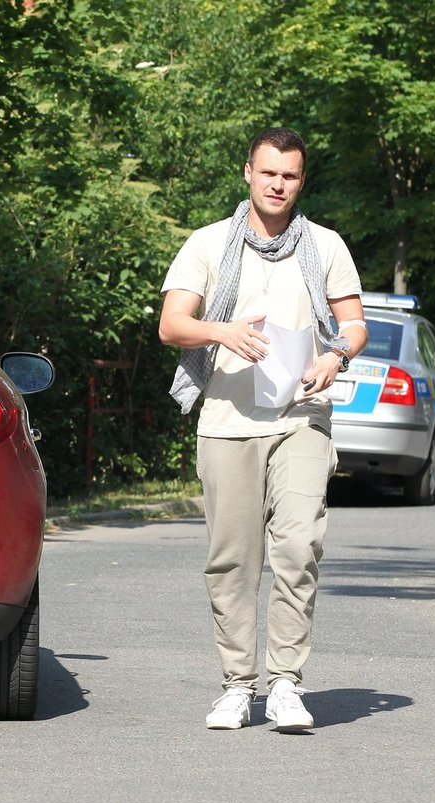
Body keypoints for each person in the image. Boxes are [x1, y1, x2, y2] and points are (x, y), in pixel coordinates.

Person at [157, 127, 368, 732]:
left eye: (290, 175)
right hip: (226, 422)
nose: (278, 184)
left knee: (299, 547)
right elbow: (173, 325)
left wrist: (335, 356)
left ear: (302, 181)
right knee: (233, 560)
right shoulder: (208, 243)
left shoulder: (325, 246)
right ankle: (236, 685)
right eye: (268, 172)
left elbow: (353, 325)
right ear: (248, 172)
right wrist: (222, 331)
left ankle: (284, 683)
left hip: (302, 417)